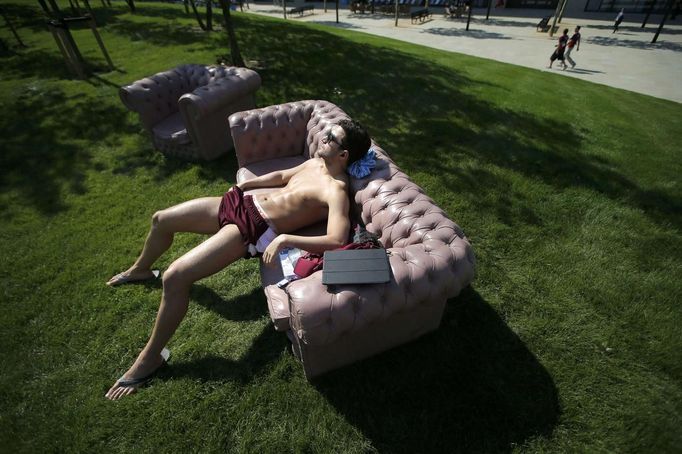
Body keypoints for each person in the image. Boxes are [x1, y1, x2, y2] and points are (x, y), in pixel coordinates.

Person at [104, 119, 371, 400]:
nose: (323, 138)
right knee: (161, 219)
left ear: (343, 155)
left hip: (251, 229)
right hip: (242, 204)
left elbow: (337, 240)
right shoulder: (315, 164)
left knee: (175, 276)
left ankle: (150, 359)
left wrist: (285, 239)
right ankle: (140, 270)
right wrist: (249, 183)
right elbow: (282, 176)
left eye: (331, 138)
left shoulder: (337, 190)